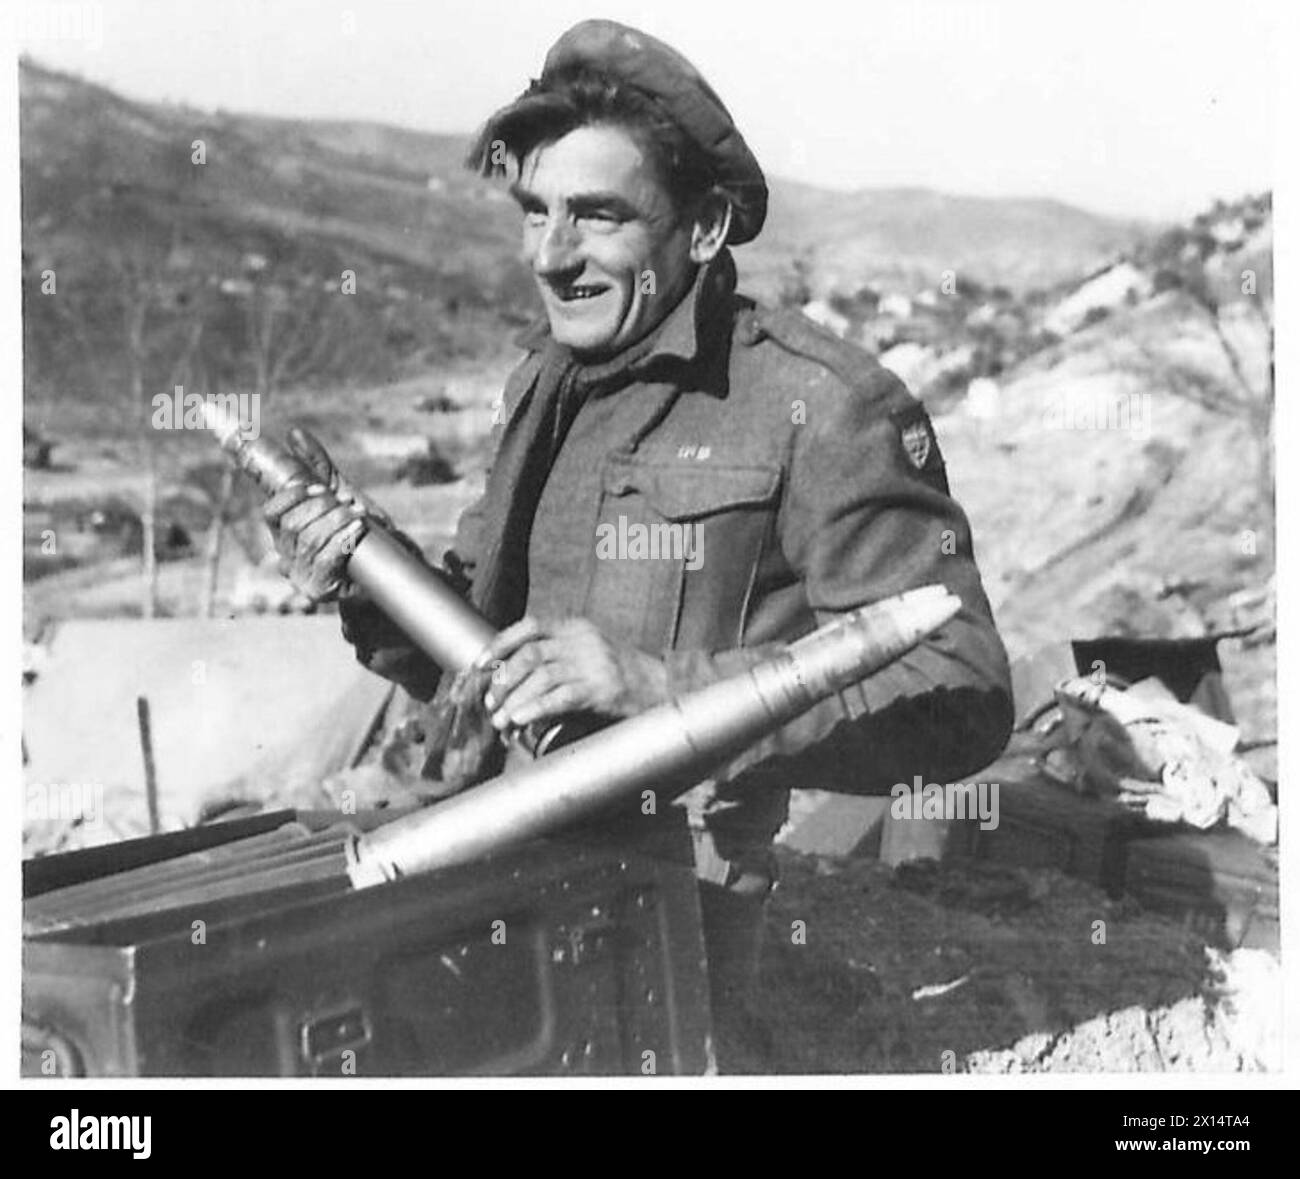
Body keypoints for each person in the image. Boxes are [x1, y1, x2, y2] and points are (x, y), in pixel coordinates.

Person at [264, 19, 1013, 1046]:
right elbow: (475, 664)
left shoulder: (822, 404)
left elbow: (964, 693)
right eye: (534, 212)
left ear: (701, 230)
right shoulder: (545, 381)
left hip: (667, 933)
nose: (550, 255)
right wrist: (358, 573)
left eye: (597, 216)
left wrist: (660, 685)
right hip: (484, 878)